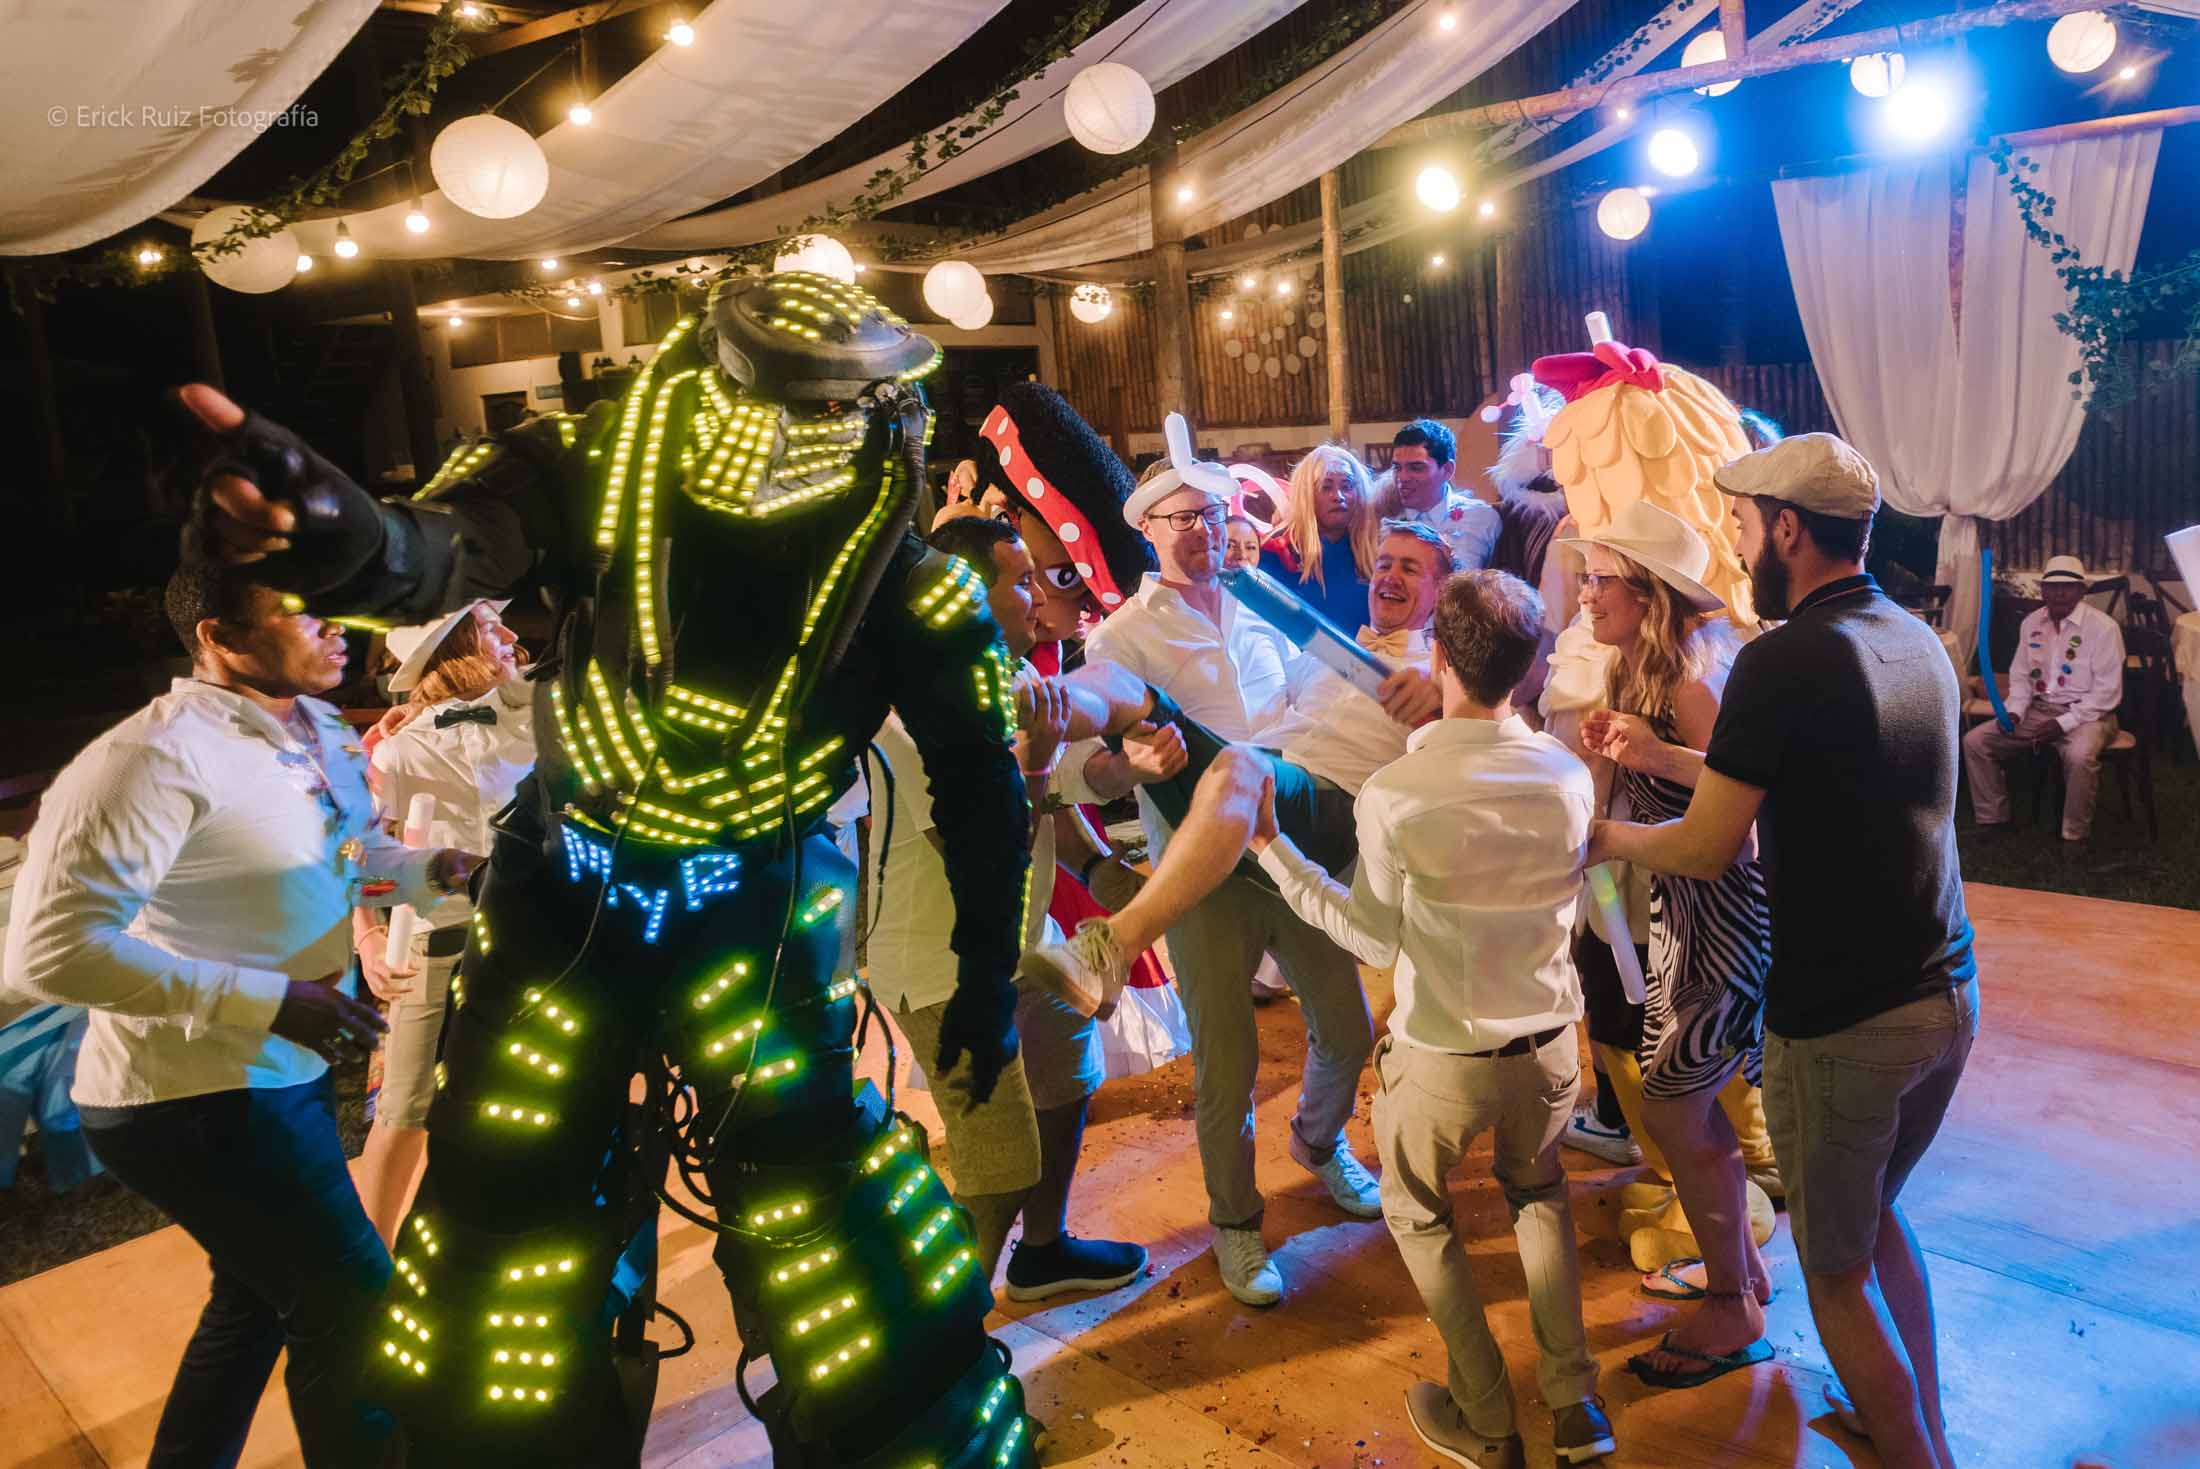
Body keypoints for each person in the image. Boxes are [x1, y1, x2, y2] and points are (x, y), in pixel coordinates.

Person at [178, 272, 1043, 1469]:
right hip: (563, 891)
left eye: (836, 409)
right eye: (778, 405)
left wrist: (989, 978)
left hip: (759, 911)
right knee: (505, 1228)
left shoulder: (917, 584)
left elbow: (984, 792)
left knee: (828, 1230)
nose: (797, 440)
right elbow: (443, 549)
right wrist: (343, 537)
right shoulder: (601, 465)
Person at [3, 564, 480, 1469]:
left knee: (257, 1300)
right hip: (186, 1096)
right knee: (354, 1304)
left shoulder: (319, 731)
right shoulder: (149, 757)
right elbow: (48, 953)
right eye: (304, 612)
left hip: (278, 1075)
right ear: (219, 636)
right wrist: (270, 999)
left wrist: (430, 872)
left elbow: (349, 858)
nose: (338, 628)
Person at [1590, 433, 1977, 1469]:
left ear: (1788, 529)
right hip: (1946, 990)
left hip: (1848, 1017)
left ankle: (1918, 1455)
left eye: (1743, 523)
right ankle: (1916, 1426)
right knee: (1874, 1220)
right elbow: (1775, 777)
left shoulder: (1779, 658)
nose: (1736, 542)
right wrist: (1658, 757)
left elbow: (1708, 844)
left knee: (1834, 1271)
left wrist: (1605, 837)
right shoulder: (1913, 639)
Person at [1250, 570, 1614, 1469]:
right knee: (1538, 1193)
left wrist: (1273, 848)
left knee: (1417, 1213)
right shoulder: (1569, 775)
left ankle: (1486, 1416)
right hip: (1549, 1051)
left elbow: (1371, 938)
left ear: (1439, 656)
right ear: (1528, 670)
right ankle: (1576, 1406)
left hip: (1443, 1055)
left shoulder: (1396, 791)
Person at [1079, 414, 1384, 1308]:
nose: (1202, 531)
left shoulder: (1262, 602)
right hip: (1203, 872)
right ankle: (1236, 1221)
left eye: (1212, 515)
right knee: (1228, 1060)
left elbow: (1315, 696)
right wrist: (1131, 765)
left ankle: (1319, 1142)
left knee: (1347, 1025)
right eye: (1182, 519)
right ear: (1148, 528)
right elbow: (1092, 773)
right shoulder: (1122, 636)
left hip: (1286, 846)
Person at [866, 513, 1155, 1300]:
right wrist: (1032, 769)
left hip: (1021, 943)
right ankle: (946, 1329)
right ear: (964, 594)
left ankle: (1044, 1251)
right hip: (943, 969)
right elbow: (982, 856)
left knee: (1070, 1077)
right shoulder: (909, 713)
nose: (1042, 595)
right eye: (1023, 580)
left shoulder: (1005, 677)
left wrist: (1103, 869)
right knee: (999, 1166)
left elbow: (1056, 789)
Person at [1022, 521, 1450, 1013]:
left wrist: (1440, 693)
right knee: (1118, 681)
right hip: (1246, 788)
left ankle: (1115, 945)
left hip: (1328, 809)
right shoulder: (1326, 650)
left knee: (1241, 762)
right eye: (1385, 564)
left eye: (1409, 568)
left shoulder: (1441, 676)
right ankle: (1022, 704)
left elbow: (1497, 710)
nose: (1390, 576)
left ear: (1439, 590)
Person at [1565, 503, 1776, 1387]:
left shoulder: (1691, 682)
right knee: (1674, 1106)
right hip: (1675, 917)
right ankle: (1743, 1276)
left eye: (1599, 578)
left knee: (1675, 1107)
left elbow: (1750, 810)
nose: (1584, 593)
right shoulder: (1633, 671)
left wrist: (1655, 756)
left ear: (1648, 594)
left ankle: (1732, 1300)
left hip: (1720, 918)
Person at [350, 599, 535, 1245]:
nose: (511, 633)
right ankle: (367, 1260)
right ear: (452, 647)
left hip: (534, 925)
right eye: (489, 627)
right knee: (405, 1102)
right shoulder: (398, 751)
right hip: (438, 925)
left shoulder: (535, 712)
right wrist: (368, 935)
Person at [1961, 554, 2124, 853]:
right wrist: (2014, 711)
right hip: (2039, 710)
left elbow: (2107, 693)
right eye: (2052, 587)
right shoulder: (2031, 623)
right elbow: (2021, 676)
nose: (2059, 593)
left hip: (2090, 715)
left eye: (2067, 587)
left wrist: (2063, 723)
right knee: (1975, 742)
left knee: (2078, 756)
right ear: (2043, 591)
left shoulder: (2103, 628)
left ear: (2081, 591)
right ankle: (1994, 820)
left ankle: (2075, 837)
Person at [1257, 443, 1380, 633]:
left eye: (1347, 486)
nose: (1338, 496)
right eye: (1326, 487)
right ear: (1306, 494)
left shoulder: (1374, 548)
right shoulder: (1279, 549)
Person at [1382, 419, 1501, 576]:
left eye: (1416, 468)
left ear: (1447, 470)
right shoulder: (1384, 515)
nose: (1402, 477)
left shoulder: (1479, 517)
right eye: (1397, 467)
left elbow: (1473, 582)